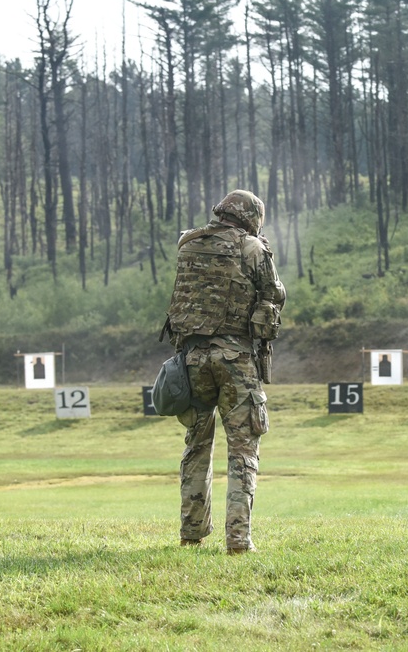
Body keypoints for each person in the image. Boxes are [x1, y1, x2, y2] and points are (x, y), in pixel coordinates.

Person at [162, 189, 286, 555]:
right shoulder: (253, 249)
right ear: (251, 217)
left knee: (196, 446)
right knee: (243, 448)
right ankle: (238, 540)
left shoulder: (188, 243)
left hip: (192, 358)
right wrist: (261, 248)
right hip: (235, 360)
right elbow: (275, 294)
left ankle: (191, 532)